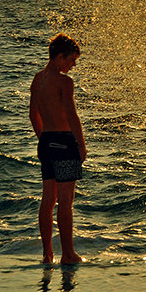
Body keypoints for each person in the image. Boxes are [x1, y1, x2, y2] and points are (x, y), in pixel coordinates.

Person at [30, 34, 87, 264]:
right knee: (65, 201)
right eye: (71, 60)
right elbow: (72, 115)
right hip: (64, 142)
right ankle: (68, 254)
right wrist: (80, 144)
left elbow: (33, 115)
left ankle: (47, 254)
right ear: (59, 56)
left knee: (48, 199)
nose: (72, 66)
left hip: (46, 143)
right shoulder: (64, 83)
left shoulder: (37, 79)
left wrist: (44, 138)